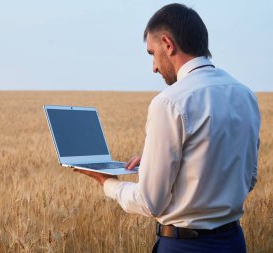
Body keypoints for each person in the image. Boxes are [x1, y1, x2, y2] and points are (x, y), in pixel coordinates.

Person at [75, 3, 261, 253]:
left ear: (167, 44)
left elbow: (150, 203)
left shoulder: (170, 102)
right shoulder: (245, 95)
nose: (153, 66)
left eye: (152, 53)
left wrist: (107, 182)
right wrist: (175, 163)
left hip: (184, 247)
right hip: (234, 242)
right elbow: (247, 180)